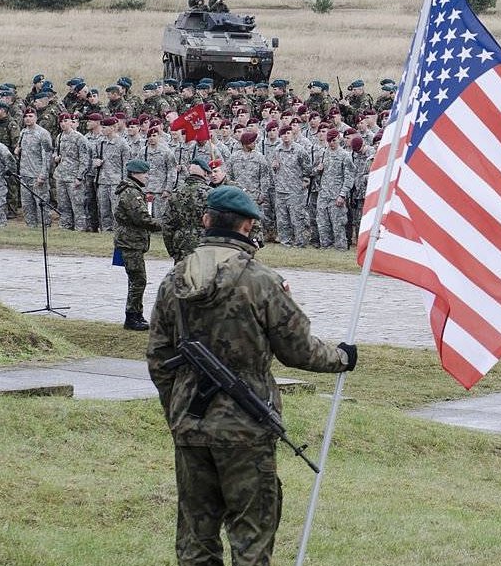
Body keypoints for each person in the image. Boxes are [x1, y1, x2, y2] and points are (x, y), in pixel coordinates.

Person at [146, 185, 357, 566]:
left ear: (206, 220)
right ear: (247, 227)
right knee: (252, 537)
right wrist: (341, 357)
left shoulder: (174, 279)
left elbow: (159, 358)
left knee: (195, 537)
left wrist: (177, 409)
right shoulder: (261, 281)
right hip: (246, 427)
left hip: (190, 424)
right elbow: (298, 350)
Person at [115, 160, 161, 330]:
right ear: (135, 174)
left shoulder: (132, 191)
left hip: (131, 241)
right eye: (145, 173)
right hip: (130, 242)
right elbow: (142, 218)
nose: (147, 176)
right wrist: (163, 224)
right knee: (138, 280)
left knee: (136, 279)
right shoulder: (131, 193)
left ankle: (136, 314)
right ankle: (132, 317)